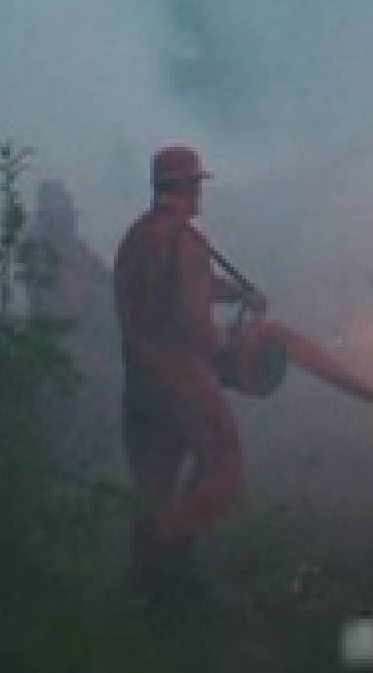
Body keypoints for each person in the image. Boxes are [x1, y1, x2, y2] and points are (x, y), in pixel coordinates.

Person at [113, 144, 266, 598]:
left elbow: (178, 288)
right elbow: (192, 318)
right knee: (223, 467)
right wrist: (227, 352)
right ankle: (173, 559)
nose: (200, 193)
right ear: (184, 186)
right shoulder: (185, 242)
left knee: (152, 486)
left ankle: (144, 591)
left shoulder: (136, 238)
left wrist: (236, 295)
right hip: (180, 378)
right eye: (197, 184)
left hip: (138, 383)